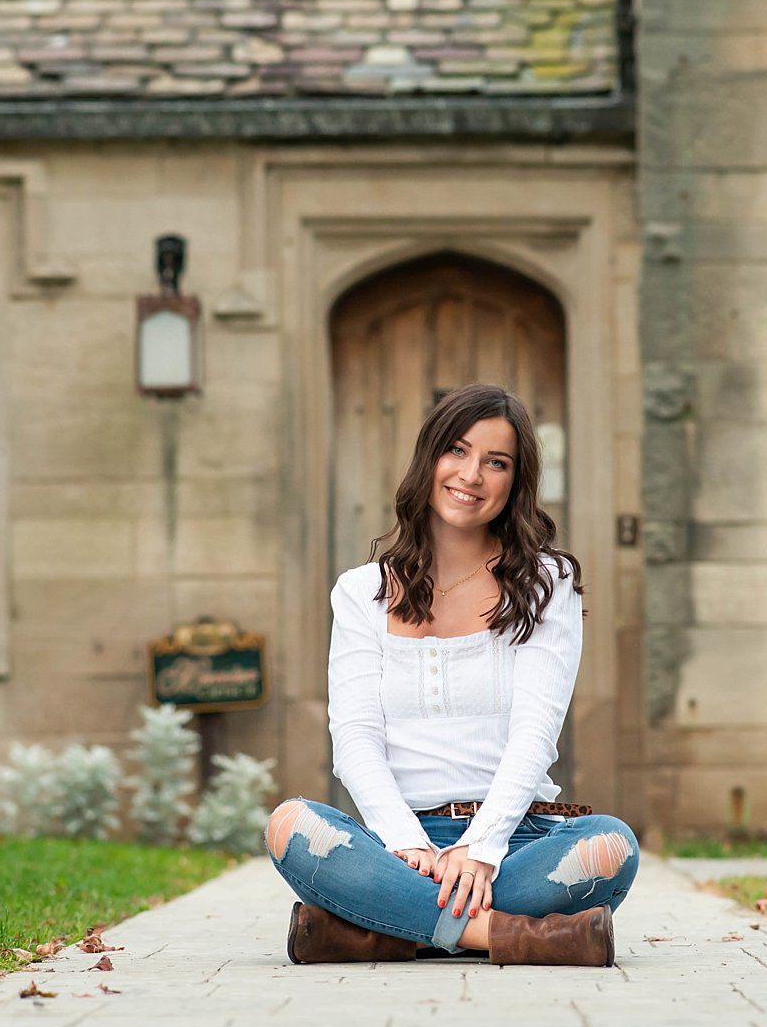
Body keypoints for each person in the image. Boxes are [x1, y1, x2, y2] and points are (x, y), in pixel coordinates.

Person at [265, 384, 639, 965]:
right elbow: (355, 737)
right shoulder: (360, 592)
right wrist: (405, 840)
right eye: (457, 451)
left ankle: (378, 928)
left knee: (612, 845)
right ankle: (507, 937)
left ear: (516, 482)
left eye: (497, 462)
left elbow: (535, 733)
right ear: (429, 458)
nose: (472, 474)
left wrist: (482, 847)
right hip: (397, 843)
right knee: (292, 827)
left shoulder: (547, 583)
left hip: (515, 842)